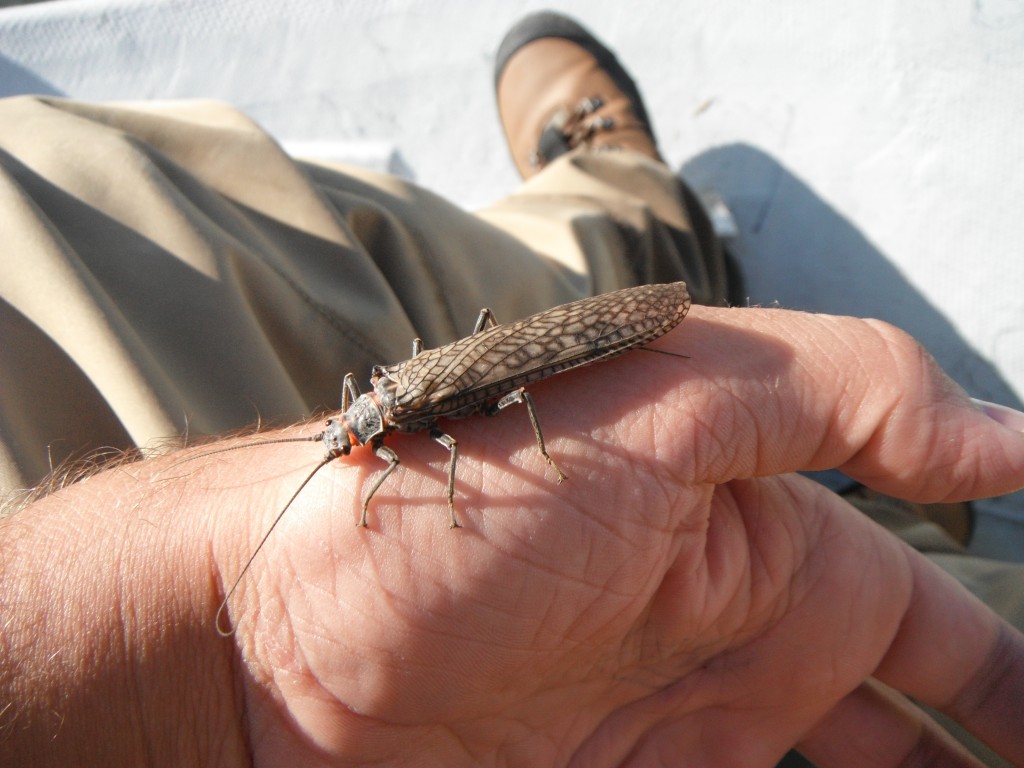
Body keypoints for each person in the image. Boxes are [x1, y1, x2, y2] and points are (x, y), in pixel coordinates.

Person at [2, 11, 1023, 767]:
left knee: (519, 340)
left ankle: (633, 218)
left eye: (349, 439)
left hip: (520, 362)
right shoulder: (380, 417)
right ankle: (625, 211)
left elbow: (456, 431)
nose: (349, 449)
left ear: (367, 425)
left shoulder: (401, 421)